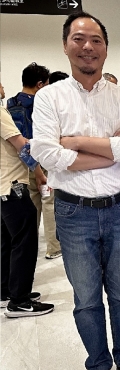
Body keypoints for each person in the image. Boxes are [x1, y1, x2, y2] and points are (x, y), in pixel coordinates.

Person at [30, 11, 120, 370]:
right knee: (86, 300)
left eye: (96, 39)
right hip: (73, 212)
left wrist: (78, 143)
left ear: (106, 47)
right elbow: (47, 154)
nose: (88, 46)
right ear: (65, 45)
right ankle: (99, 367)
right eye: (79, 39)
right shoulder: (49, 97)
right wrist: (110, 150)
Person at [0, 81, 55, 317]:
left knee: (6, 240)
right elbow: (21, 146)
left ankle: (6, 291)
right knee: (25, 240)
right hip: (13, 184)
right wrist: (40, 172)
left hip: (2, 187)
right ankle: (20, 301)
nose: (3, 87)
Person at [6, 63, 61, 260]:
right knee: (49, 202)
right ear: (40, 84)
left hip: (20, 165)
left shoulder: (10, 104)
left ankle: (30, 248)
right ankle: (54, 247)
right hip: (41, 164)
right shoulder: (40, 105)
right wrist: (38, 171)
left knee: (31, 206)